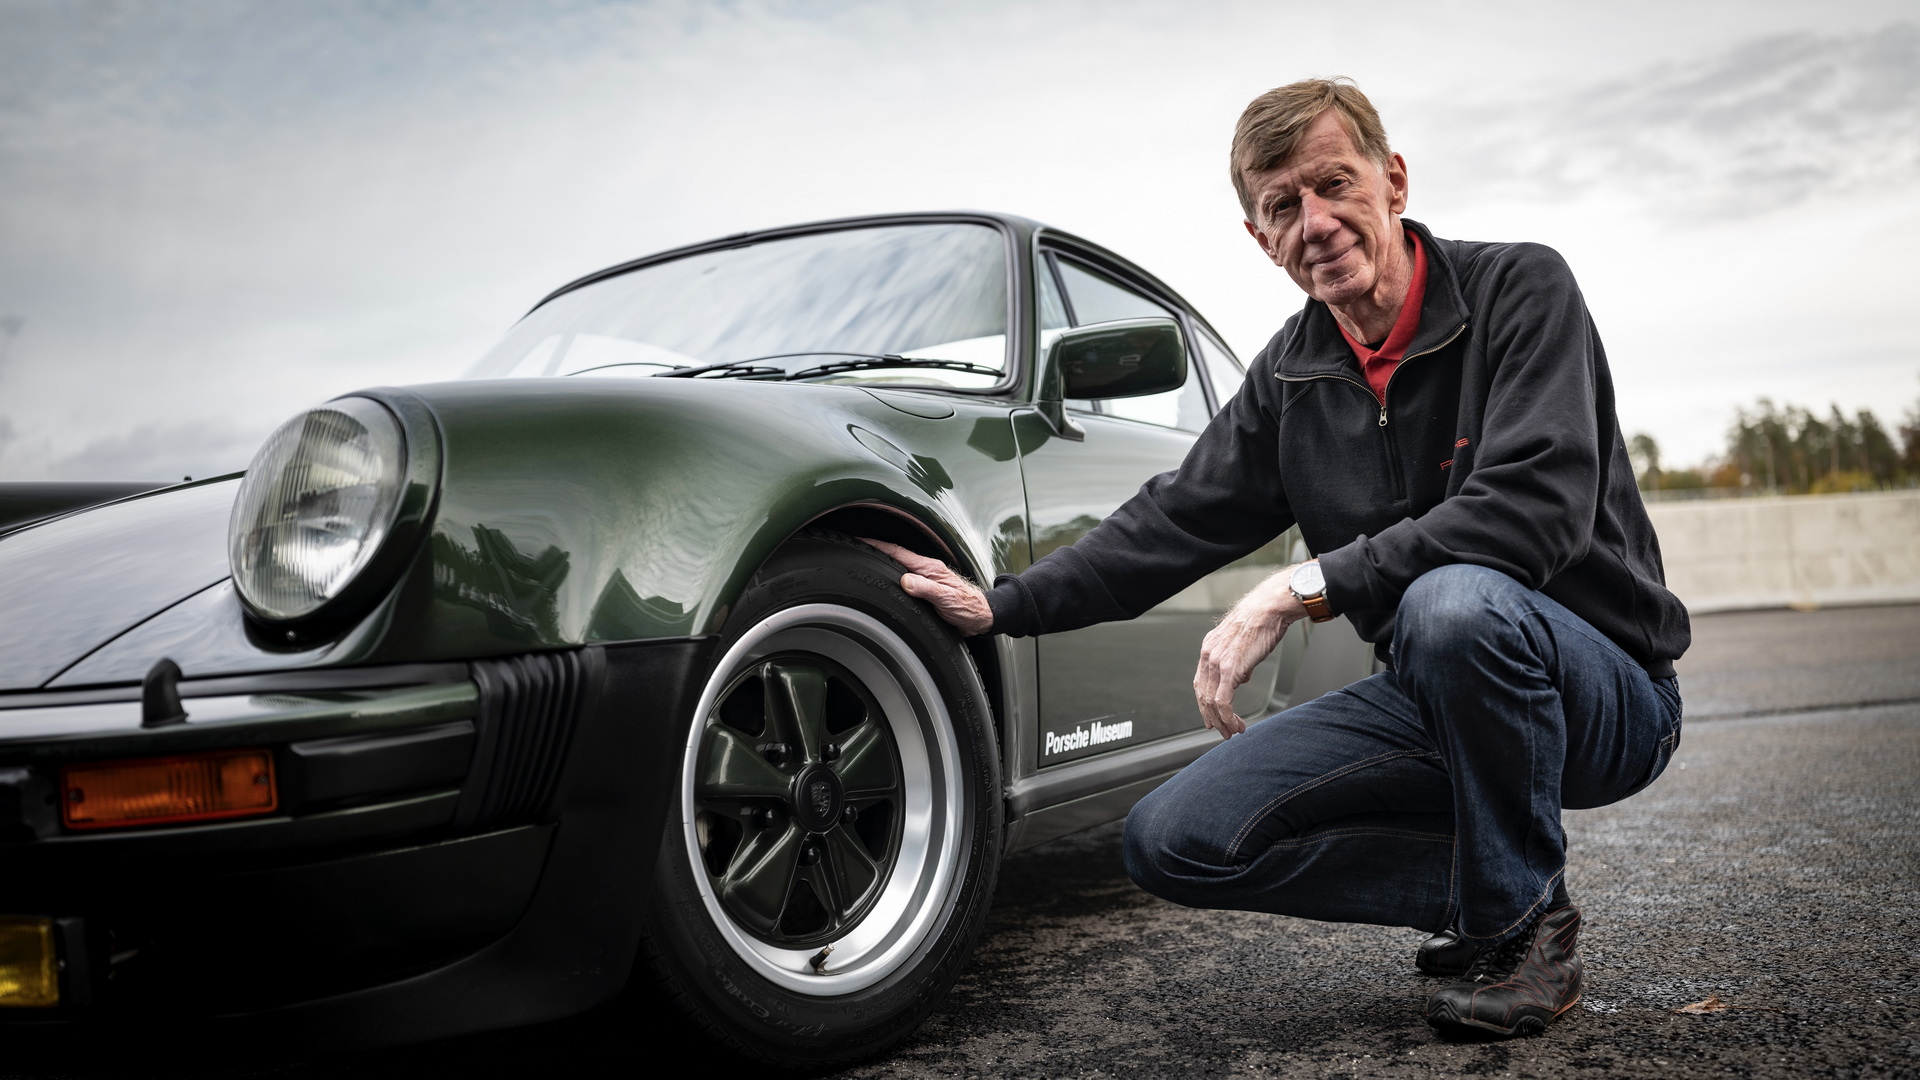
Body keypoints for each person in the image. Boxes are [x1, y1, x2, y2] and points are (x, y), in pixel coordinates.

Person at [867, 77, 1688, 1040]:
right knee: (1174, 840)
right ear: (1261, 239)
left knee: (1453, 601)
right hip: (1434, 692)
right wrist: (1002, 605)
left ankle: (1518, 929)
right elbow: (1170, 522)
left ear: (1394, 180)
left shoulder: (1520, 289)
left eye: (1335, 185)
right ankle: (1499, 893)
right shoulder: (1293, 374)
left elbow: (1532, 513)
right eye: (1282, 207)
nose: (1317, 222)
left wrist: (1305, 585)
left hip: (1604, 689)